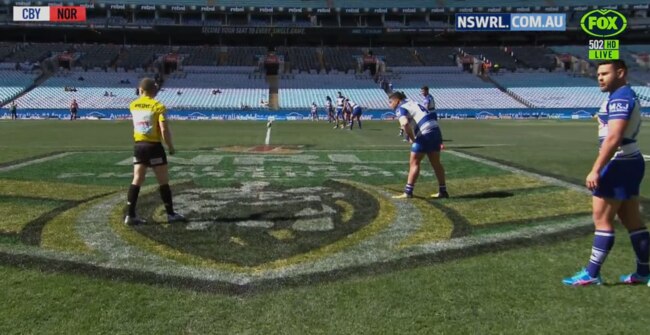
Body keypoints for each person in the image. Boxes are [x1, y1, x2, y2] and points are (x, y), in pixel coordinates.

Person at [563, 60, 648, 286]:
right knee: (632, 220)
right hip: (631, 160)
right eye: (598, 74)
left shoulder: (621, 97)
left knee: (602, 219)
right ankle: (644, 272)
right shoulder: (622, 95)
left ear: (620, 73)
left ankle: (592, 273)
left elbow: (614, 137)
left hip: (619, 161)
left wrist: (596, 169)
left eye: (605, 73)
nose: (599, 77)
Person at [124, 77, 185, 225]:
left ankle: (130, 215)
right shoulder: (158, 106)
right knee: (163, 181)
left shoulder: (133, 105)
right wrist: (170, 146)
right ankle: (170, 214)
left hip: (139, 145)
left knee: (137, 179)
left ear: (141, 90)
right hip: (154, 146)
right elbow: (164, 129)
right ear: (154, 91)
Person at [388, 91, 448, 199]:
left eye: (390, 101)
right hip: (436, 130)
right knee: (436, 163)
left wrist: (412, 139)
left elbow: (405, 123)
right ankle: (443, 191)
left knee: (414, 162)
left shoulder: (401, 108)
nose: (389, 104)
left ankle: (408, 192)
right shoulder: (412, 102)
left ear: (397, 101)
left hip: (425, 133)